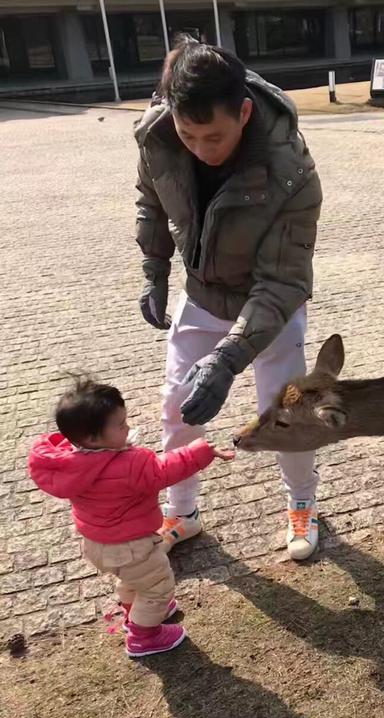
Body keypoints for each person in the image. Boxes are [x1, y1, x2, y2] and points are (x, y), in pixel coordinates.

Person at [134, 36, 322, 560]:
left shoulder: (292, 174)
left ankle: (302, 501)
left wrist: (227, 359)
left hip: (271, 307)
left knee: (282, 411)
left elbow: (282, 282)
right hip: (201, 296)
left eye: (212, 136)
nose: (199, 147)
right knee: (177, 405)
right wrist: (155, 268)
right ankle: (182, 511)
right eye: (187, 132)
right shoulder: (159, 137)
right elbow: (152, 197)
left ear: (243, 113)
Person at [28, 377, 234, 658]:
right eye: (120, 424)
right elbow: (165, 470)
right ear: (91, 438)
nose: (128, 427)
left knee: (133, 579)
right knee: (159, 586)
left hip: (97, 545)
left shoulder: (69, 463)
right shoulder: (129, 464)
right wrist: (202, 450)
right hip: (133, 546)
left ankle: (135, 611)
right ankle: (144, 637)